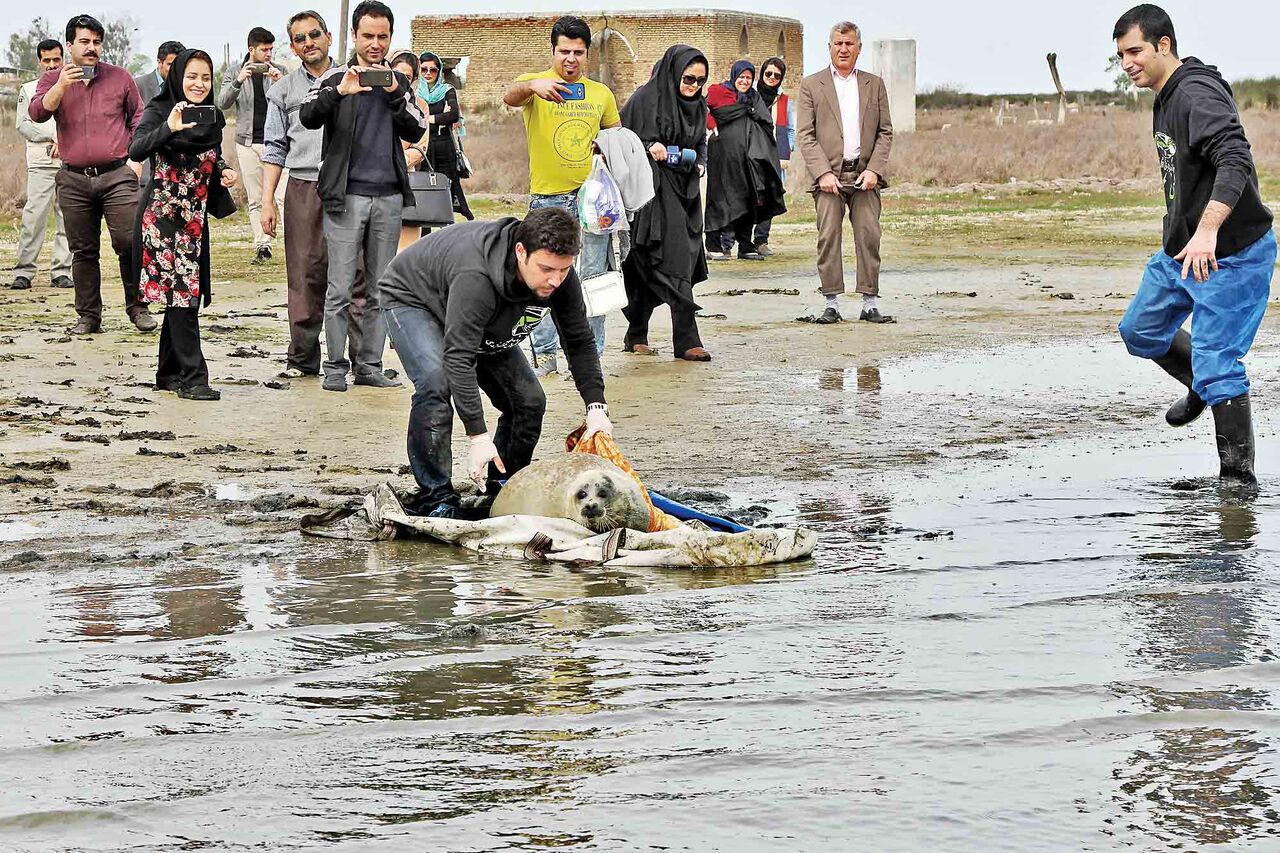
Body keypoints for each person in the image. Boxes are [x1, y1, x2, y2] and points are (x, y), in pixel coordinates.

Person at [1113, 4, 1275, 487]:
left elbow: (1235, 158)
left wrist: (1207, 231)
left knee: (1220, 364)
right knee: (1140, 331)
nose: (1127, 64)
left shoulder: (1196, 94)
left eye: (1135, 51)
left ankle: (1236, 489)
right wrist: (1189, 235)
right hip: (1184, 251)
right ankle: (1200, 385)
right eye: (1120, 55)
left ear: (1164, 45)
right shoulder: (1165, 93)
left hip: (1233, 255)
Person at [380, 207, 613, 518]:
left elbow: (578, 339)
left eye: (563, 270)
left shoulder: (560, 277)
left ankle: (503, 486)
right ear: (521, 251)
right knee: (436, 382)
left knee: (529, 401)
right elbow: (459, 356)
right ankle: (436, 495)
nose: (555, 280)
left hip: (483, 317)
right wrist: (478, 436)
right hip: (413, 298)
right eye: (546, 269)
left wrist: (596, 407)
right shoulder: (476, 275)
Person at [300, 0, 426, 393]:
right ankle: (335, 366)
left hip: (388, 196)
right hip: (346, 196)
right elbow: (308, 117)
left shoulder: (399, 83)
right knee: (338, 287)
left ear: (390, 38)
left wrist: (392, 91)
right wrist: (339, 91)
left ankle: (369, 364)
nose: (375, 44)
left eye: (383, 37)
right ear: (354, 35)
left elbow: (416, 126)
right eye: (368, 36)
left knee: (379, 288)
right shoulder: (335, 78)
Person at [503, 15, 620, 377]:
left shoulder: (601, 94)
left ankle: (590, 353)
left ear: (588, 55)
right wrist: (535, 86)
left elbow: (616, 139)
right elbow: (510, 96)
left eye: (578, 52)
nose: (571, 58)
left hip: (592, 200)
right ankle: (546, 353)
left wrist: (606, 150)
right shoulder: (533, 86)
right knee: (543, 279)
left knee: (595, 278)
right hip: (548, 198)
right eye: (564, 51)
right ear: (553, 51)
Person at [31, 14, 156, 335]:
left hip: (117, 175)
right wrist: (61, 84)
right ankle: (89, 317)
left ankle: (138, 307)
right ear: (69, 45)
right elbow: (38, 112)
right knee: (83, 250)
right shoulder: (52, 79)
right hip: (73, 178)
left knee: (129, 241)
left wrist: (136, 159)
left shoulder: (120, 78)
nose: (91, 48)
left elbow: (139, 119)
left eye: (97, 42)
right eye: (84, 42)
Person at [262, 10, 368, 379]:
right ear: (292, 46)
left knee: (356, 273)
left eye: (314, 35)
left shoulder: (356, 78)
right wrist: (266, 203)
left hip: (351, 186)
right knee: (305, 273)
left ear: (327, 37)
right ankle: (302, 359)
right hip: (303, 186)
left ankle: (361, 361)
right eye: (300, 38)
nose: (308, 43)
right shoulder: (282, 91)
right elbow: (274, 149)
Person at [129, 48, 239, 401]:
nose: (199, 84)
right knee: (183, 296)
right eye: (191, 76)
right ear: (177, 77)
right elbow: (136, 149)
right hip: (163, 218)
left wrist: (224, 170)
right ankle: (194, 378)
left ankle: (168, 373)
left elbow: (213, 155)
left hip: (195, 217)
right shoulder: (161, 110)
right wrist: (169, 127)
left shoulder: (213, 118)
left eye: (206, 77)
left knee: (182, 296)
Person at [796, 21, 894, 325]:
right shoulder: (811, 85)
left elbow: (885, 132)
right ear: (829, 47)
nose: (843, 49)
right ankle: (832, 303)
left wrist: (875, 170)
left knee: (869, 235)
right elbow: (805, 135)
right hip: (829, 179)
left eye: (849, 44)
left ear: (859, 48)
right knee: (828, 237)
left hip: (864, 176)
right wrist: (823, 173)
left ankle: (869, 303)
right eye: (838, 43)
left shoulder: (874, 84)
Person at [620, 45, 712, 362]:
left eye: (701, 81)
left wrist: (700, 162)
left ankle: (635, 334)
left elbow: (701, 140)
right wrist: (649, 145)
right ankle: (686, 340)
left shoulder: (698, 106)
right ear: (673, 74)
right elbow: (621, 139)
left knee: (678, 260)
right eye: (688, 79)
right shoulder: (644, 100)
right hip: (652, 191)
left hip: (686, 190)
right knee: (664, 261)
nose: (694, 87)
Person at [704, 60, 786, 263]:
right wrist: (712, 123)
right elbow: (701, 109)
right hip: (722, 157)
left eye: (749, 78)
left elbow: (765, 121)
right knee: (720, 197)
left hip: (746, 159)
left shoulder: (753, 97)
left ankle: (745, 245)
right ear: (734, 76)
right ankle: (714, 245)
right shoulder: (718, 91)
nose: (744, 81)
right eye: (741, 77)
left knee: (746, 198)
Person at [218, 27, 287, 265]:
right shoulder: (234, 72)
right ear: (251, 50)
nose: (268, 54)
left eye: (270, 49)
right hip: (247, 143)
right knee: (256, 198)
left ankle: (293, 244)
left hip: (277, 144)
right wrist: (239, 80)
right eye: (264, 50)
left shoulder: (280, 71)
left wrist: (281, 82)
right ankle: (262, 246)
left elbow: (293, 103)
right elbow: (223, 102)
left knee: (283, 197)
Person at [10, 39, 71, 291]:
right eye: (46, 60)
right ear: (39, 62)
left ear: (63, 59)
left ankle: (61, 272)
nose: (52, 65)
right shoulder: (29, 88)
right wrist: (50, 137)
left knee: (67, 220)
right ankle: (24, 272)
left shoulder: (73, 87)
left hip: (69, 163)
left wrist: (65, 140)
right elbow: (23, 124)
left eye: (56, 60)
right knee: (33, 218)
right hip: (41, 163)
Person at [417, 50, 474, 222]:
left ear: (439, 71)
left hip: (444, 145)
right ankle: (424, 230)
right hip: (423, 147)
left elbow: (453, 115)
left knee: (449, 187)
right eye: (424, 69)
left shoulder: (447, 90)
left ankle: (449, 229)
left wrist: (426, 119)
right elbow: (412, 119)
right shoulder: (416, 93)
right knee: (424, 187)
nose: (428, 73)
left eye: (433, 70)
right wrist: (438, 118)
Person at [388, 48, 431, 251]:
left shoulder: (419, 105)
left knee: (405, 251)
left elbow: (420, 147)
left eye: (406, 77)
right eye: (396, 74)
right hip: (369, 182)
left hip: (405, 180)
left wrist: (391, 159)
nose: (400, 80)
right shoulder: (372, 99)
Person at [753, 56, 794, 258]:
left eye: (777, 75)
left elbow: (790, 129)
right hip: (751, 153)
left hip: (774, 156)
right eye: (768, 73)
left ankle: (761, 240)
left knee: (769, 198)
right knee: (748, 195)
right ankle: (734, 241)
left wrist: (787, 149)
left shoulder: (784, 100)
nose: (772, 77)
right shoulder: (750, 95)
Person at [134, 40, 186, 188]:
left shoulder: (187, 89)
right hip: (144, 171)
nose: (175, 71)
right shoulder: (138, 86)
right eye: (171, 65)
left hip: (175, 172)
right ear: (159, 62)